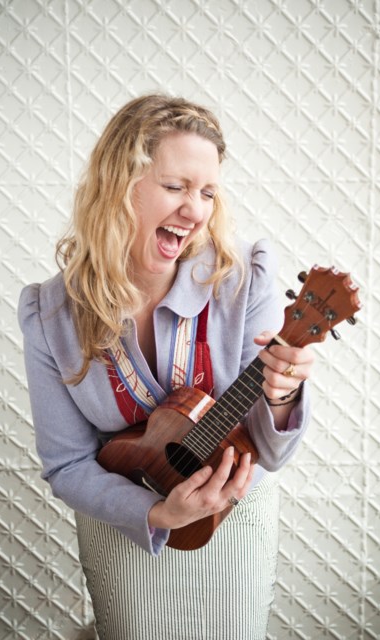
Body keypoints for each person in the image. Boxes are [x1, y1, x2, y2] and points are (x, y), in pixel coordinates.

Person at [18, 94, 315, 639]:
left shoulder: (246, 276)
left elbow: (272, 453)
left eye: (207, 192)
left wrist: (281, 394)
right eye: (176, 186)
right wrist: (156, 515)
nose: (194, 210)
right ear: (117, 184)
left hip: (232, 520)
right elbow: (66, 465)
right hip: (125, 525)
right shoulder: (49, 313)